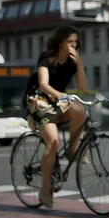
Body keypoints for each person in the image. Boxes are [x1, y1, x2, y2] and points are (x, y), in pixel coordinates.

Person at [23, 25, 88, 208]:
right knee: (53, 141)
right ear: (60, 42)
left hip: (58, 101)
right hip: (39, 101)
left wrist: (80, 64)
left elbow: (83, 87)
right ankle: (44, 190)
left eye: (75, 42)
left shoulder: (73, 61)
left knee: (80, 112)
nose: (73, 45)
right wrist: (58, 94)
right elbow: (43, 84)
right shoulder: (47, 58)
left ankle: (71, 151)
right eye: (69, 42)